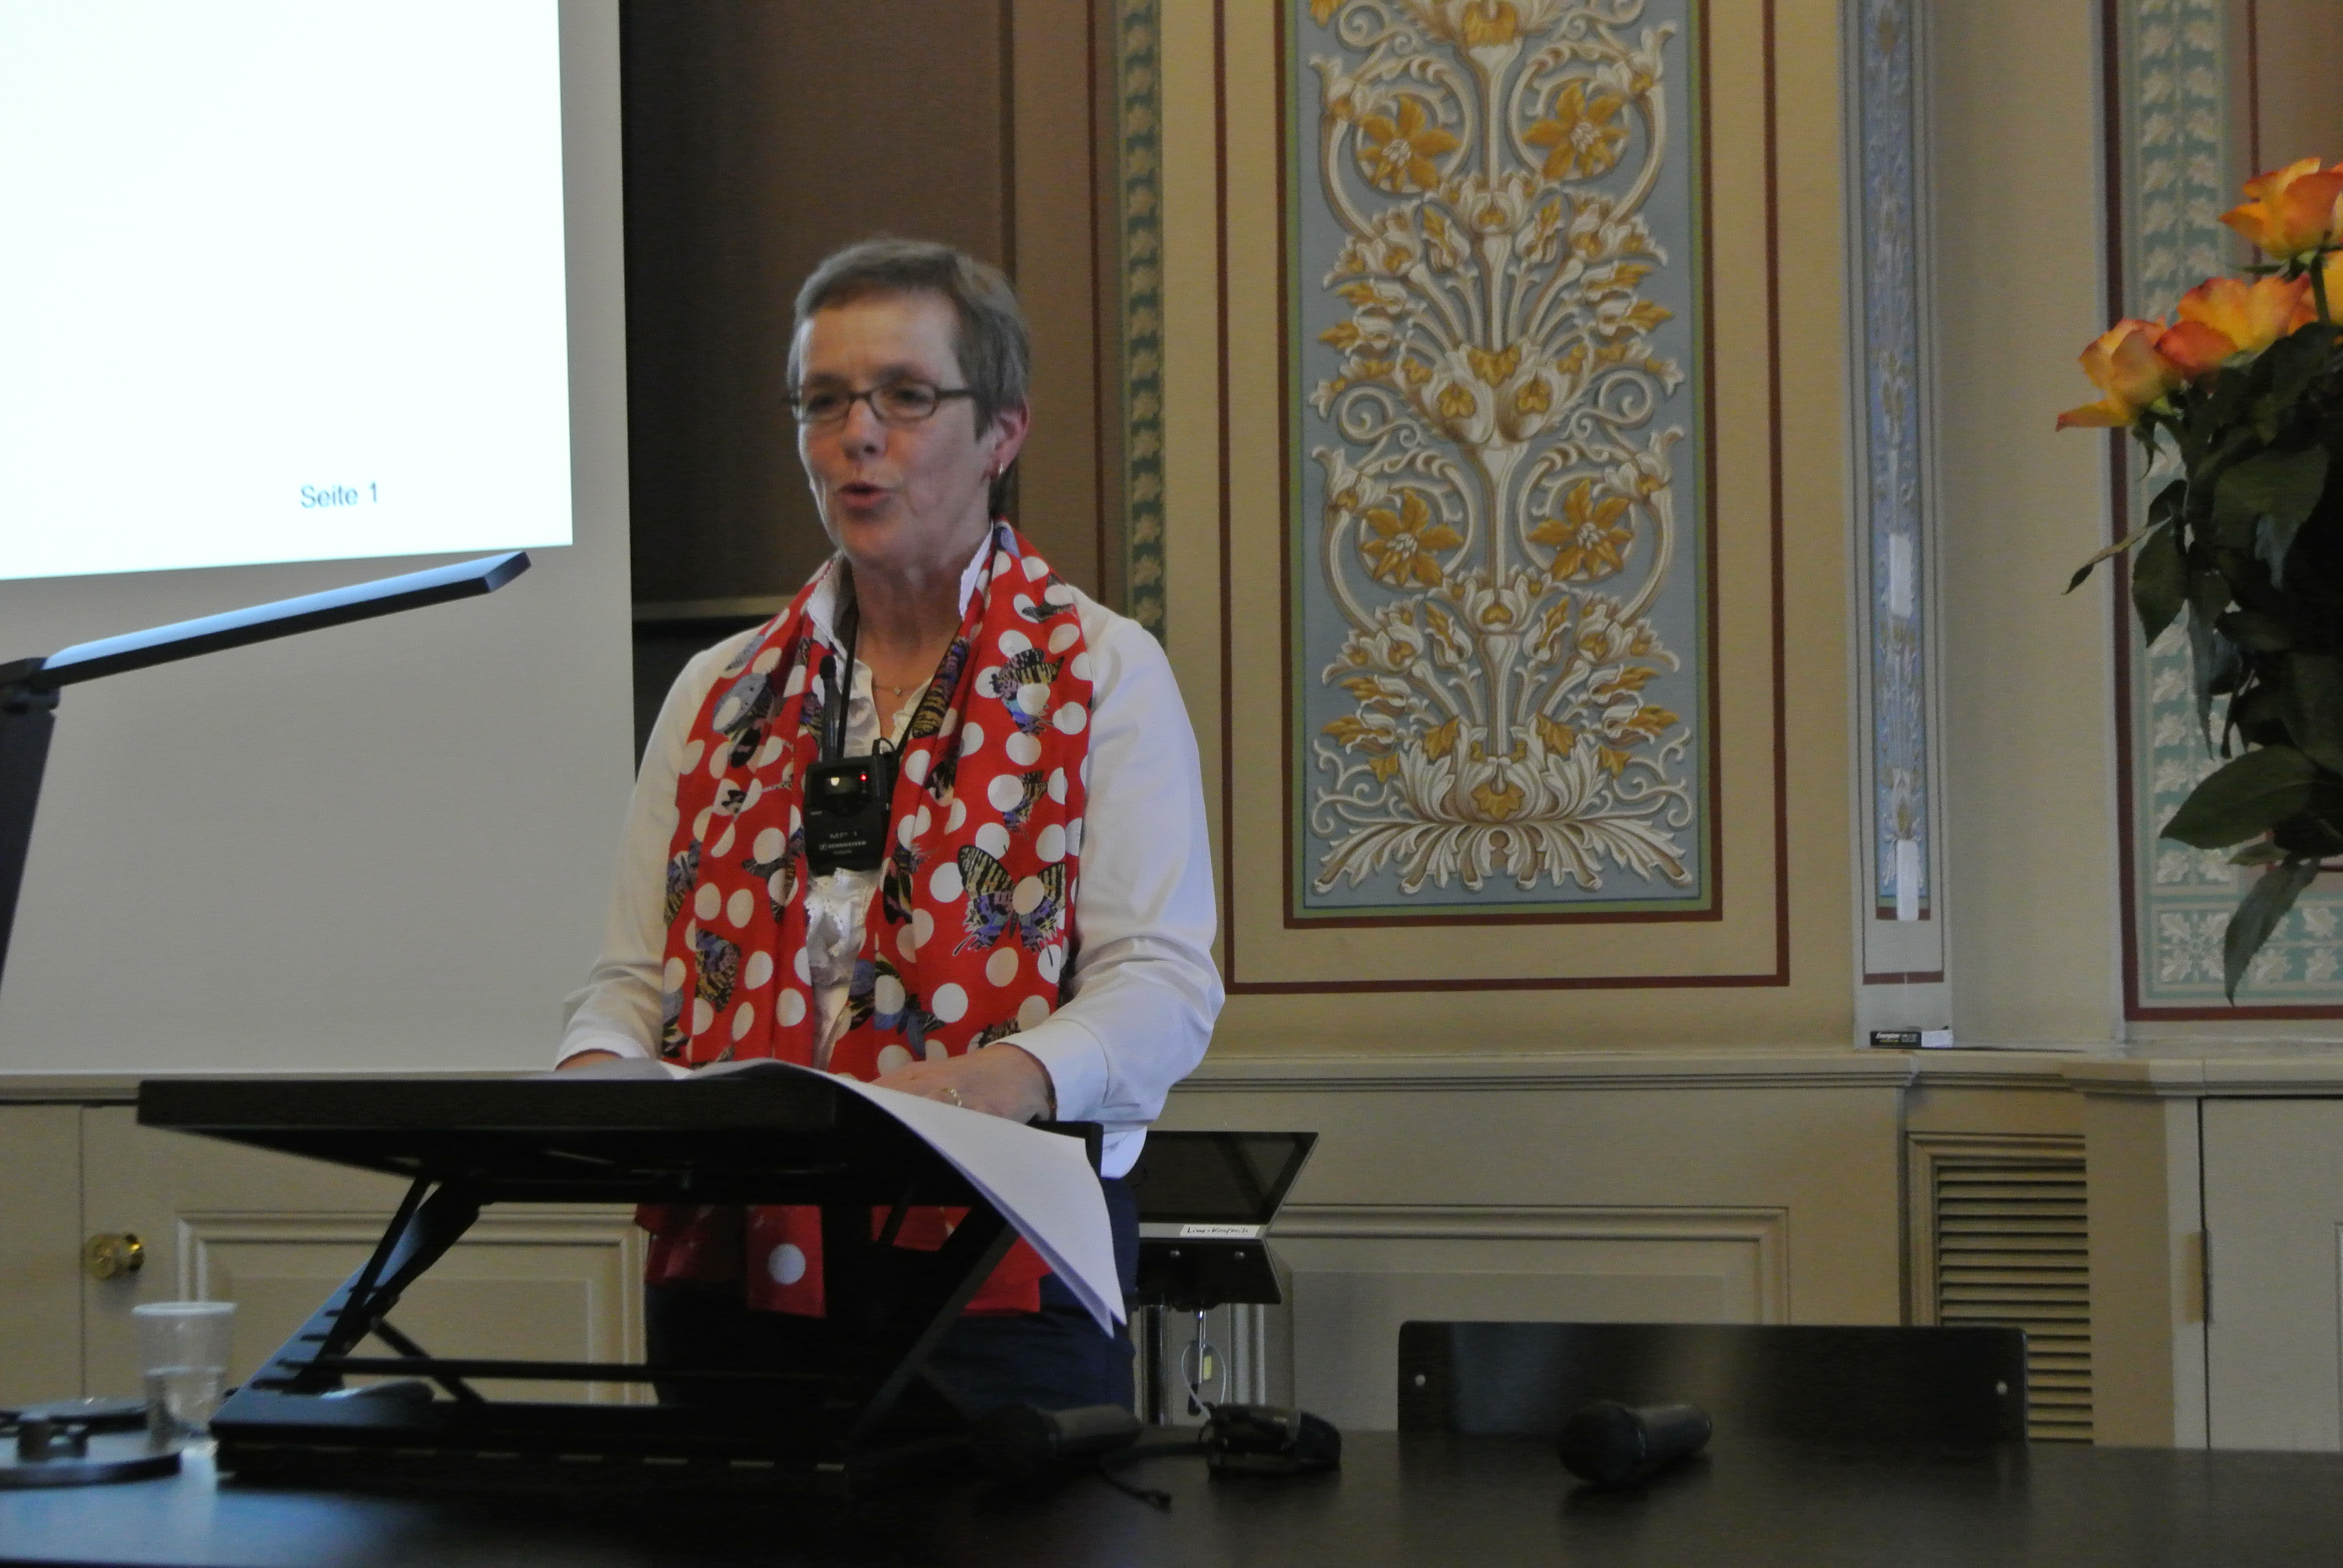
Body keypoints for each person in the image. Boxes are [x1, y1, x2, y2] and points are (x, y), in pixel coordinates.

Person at [555, 237, 1221, 1415]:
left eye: (905, 397)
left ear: (1002, 431)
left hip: (998, 1262)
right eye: (824, 401)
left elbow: (1162, 983)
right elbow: (632, 981)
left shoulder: (1101, 669)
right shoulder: (720, 691)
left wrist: (1008, 1078)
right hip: (734, 1265)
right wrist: (598, 1079)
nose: (857, 435)